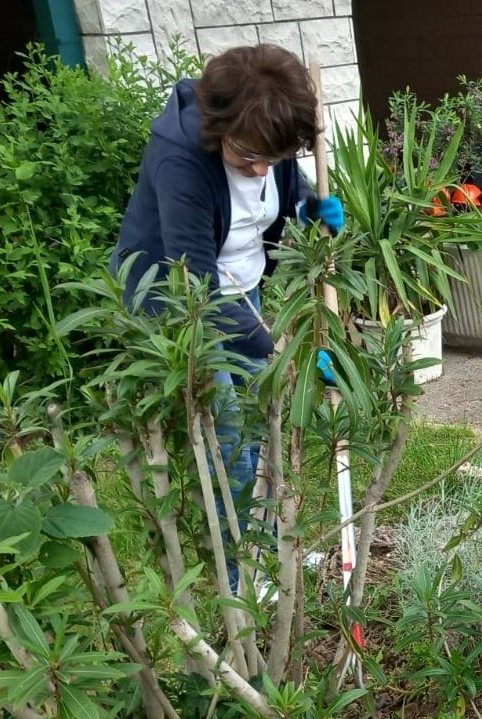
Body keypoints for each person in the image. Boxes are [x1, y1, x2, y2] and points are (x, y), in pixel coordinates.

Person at [111, 44, 344, 586]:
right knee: (228, 439)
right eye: (248, 158)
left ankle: (261, 551)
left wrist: (311, 207)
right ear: (220, 131)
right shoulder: (180, 158)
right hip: (181, 300)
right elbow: (195, 281)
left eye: (274, 157)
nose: (260, 169)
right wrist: (282, 349)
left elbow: (285, 193)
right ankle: (237, 577)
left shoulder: (267, 147)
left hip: (241, 290)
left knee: (262, 422)